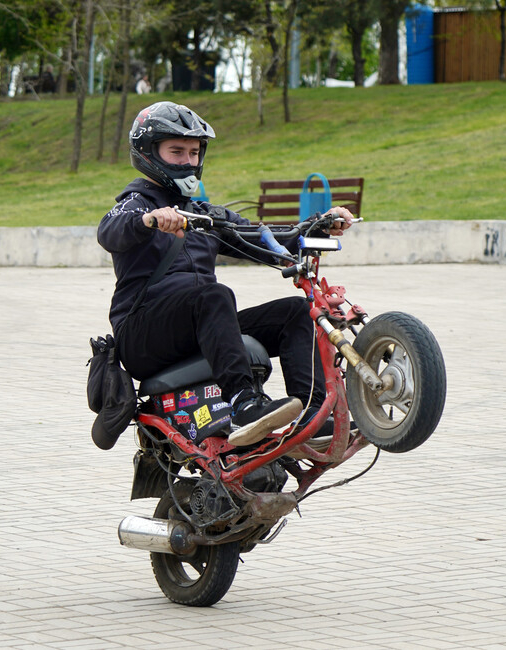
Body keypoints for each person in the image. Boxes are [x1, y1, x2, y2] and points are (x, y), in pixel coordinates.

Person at [97, 101, 355, 447]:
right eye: (177, 151)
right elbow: (109, 231)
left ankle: (312, 417)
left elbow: (268, 241)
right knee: (214, 296)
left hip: (198, 322)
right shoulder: (135, 203)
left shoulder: (205, 215)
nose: (188, 161)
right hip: (142, 334)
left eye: (193, 152)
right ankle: (244, 404)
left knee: (294, 311)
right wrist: (150, 220)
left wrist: (320, 226)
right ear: (148, 152)